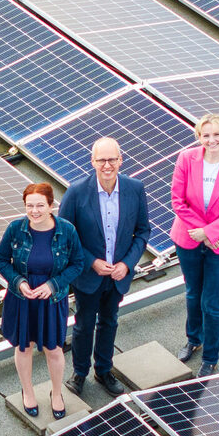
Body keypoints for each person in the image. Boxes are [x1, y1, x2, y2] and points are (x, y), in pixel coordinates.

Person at [58, 137, 150, 396]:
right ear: (92, 162)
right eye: (101, 160)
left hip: (118, 276)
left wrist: (127, 264)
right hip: (89, 276)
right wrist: (92, 262)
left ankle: (104, 370)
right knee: (84, 324)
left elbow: (143, 232)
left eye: (112, 159)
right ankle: (79, 373)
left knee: (109, 321)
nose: (107, 165)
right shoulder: (76, 192)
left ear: (121, 160)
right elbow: (65, 236)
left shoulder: (135, 188)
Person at [0, 183, 85, 419]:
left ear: (51, 205)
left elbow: (78, 263)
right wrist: (20, 283)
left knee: (54, 349)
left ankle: (56, 393)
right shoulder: (16, 228)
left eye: (40, 205)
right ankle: (28, 392)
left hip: (52, 300)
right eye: (29, 206)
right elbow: (1, 259)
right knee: (23, 347)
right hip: (22, 299)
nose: (34, 211)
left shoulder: (67, 231)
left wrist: (52, 285)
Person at [170, 114, 219, 377]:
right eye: (206, 135)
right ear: (199, 137)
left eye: (216, 135)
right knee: (193, 293)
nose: (211, 140)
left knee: (212, 301)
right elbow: (178, 201)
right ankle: (193, 339)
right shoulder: (186, 159)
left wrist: (210, 232)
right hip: (189, 239)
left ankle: (210, 356)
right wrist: (203, 233)